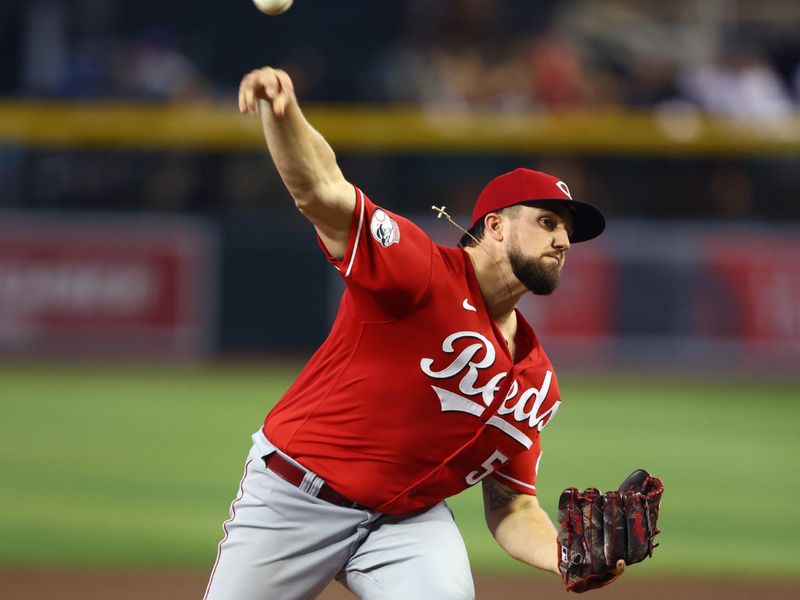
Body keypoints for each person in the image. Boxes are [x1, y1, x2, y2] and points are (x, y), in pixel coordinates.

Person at [204, 66, 622, 600]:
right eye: (547, 221)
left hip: (406, 523)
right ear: (494, 225)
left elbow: (512, 505)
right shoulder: (418, 270)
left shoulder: (537, 381)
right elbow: (322, 191)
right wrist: (283, 113)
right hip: (295, 497)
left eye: (568, 231)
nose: (563, 240)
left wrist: (566, 555)